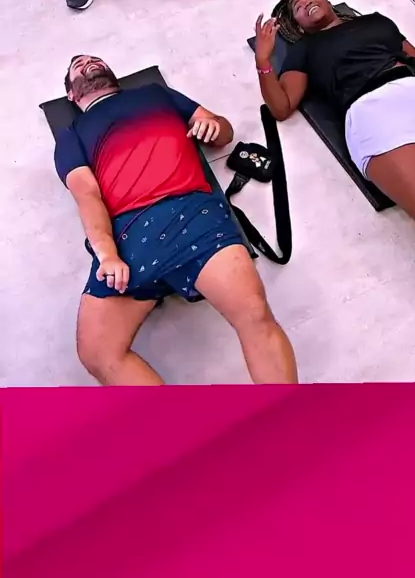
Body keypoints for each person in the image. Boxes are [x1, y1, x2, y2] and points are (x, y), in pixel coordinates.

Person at [54, 55, 298, 385]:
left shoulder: (154, 94)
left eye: (94, 60)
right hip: (128, 235)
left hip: (192, 212)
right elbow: (87, 196)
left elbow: (223, 131)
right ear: (71, 93)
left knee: (254, 313)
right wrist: (108, 254)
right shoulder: (71, 135)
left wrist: (214, 127)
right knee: (97, 353)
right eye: (78, 66)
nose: (88, 63)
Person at [255, 0, 415, 336]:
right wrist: (264, 62)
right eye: (298, 7)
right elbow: (282, 107)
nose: (306, 2)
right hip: (372, 111)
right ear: (295, 26)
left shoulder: (376, 22)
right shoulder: (304, 50)